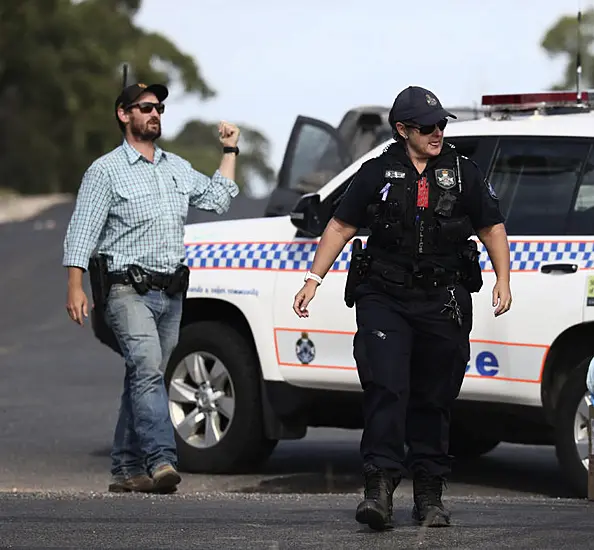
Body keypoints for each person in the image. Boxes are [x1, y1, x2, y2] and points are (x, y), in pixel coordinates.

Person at [292, 86, 512, 530]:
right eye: (427, 127)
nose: (437, 133)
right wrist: (313, 279)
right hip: (384, 296)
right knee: (386, 389)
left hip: (442, 298)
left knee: (434, 397)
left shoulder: (462, 171)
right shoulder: (376, 172)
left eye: (441, 125)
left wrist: (504, 279)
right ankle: (379, 490)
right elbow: (340, 224)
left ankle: (429, 496)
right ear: (402, 130)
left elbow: (492, 227)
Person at [63, 81, 242, 494]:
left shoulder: (176, 167)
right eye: (145, 107)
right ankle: (161, 459)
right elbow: (81, 232)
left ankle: (125, 469)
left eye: (159, 107)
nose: (155, 113)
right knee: (146, 368)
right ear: (124, 115)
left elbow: (217, 198)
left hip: (171, 293)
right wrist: (75, 285)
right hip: (126, 290)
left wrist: (229, 150)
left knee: (146, 374)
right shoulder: (105, 171)